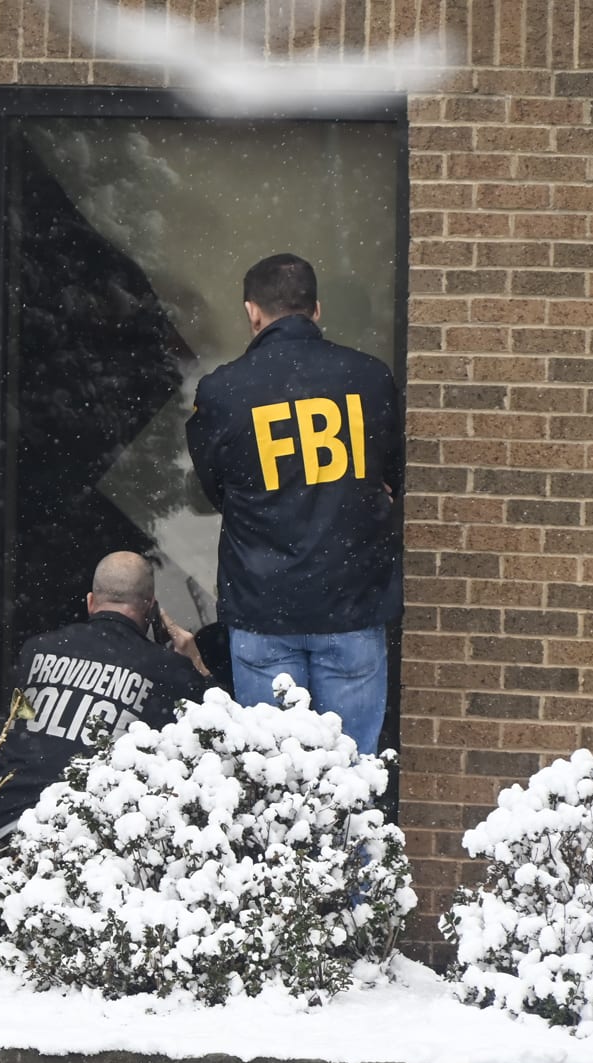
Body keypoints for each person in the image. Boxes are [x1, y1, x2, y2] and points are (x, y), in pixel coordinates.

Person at [184, 253, 404, 755]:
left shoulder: (223, 391)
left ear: (252, 313)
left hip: (264, 607)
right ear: (317, 310)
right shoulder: (369, 378)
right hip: (351, 603)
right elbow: (392, 477)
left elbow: (214, 490)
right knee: (352, 781)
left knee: (275, 784)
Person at [0, 552, 211, 852]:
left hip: (1, 831)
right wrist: (196, 665)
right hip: (85, 850)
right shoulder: (167, 670)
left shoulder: (36, 651)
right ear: (150, 609)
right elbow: (218, 728)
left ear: (90, 602)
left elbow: (19, 729)